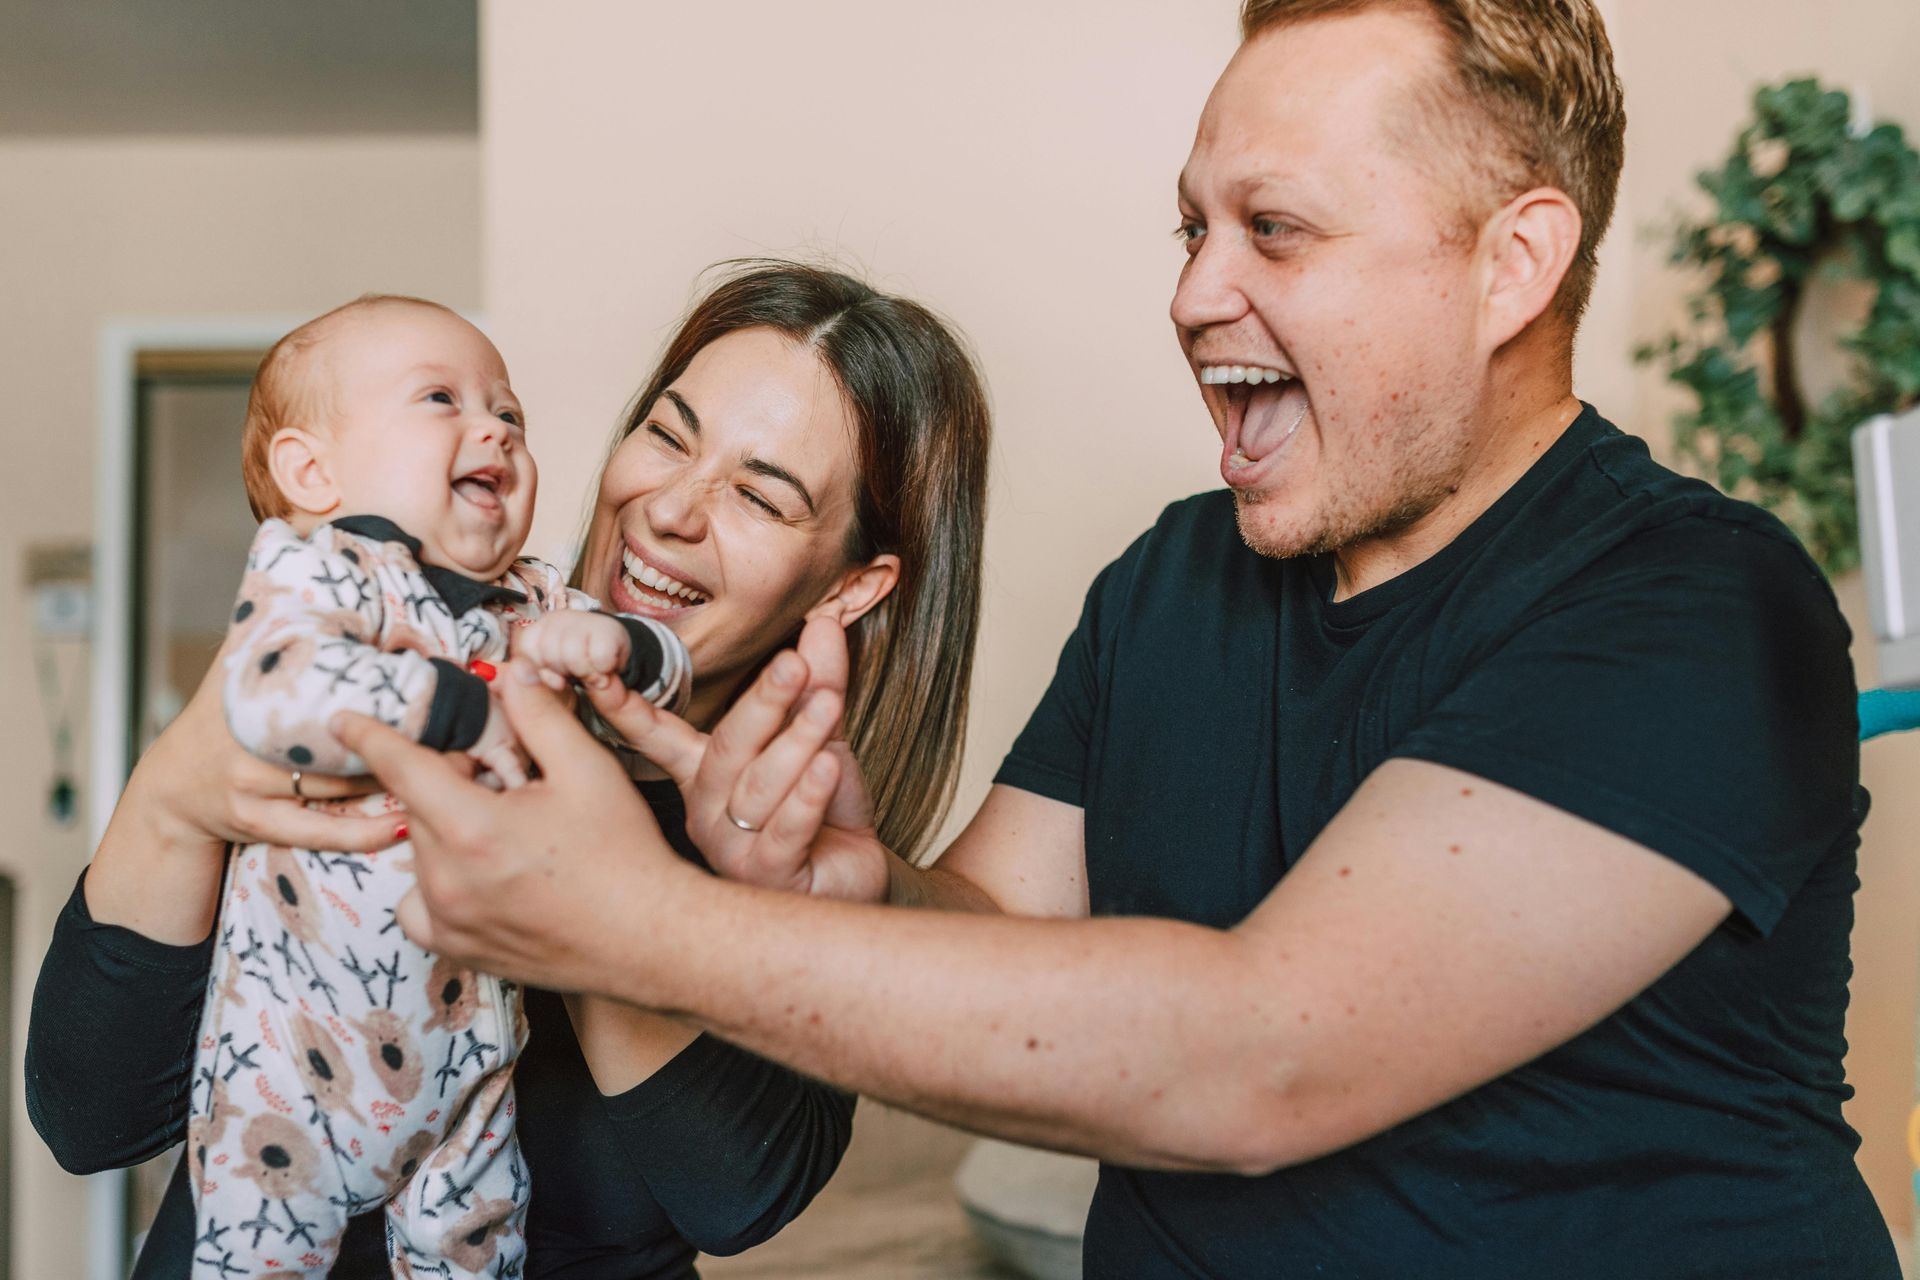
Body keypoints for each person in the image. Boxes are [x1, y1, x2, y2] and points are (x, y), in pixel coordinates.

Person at [334, 3, 1900, 1277]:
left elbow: (1262, 1063)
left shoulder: (1698, 604)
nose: (1195, 291)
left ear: (1515, 263)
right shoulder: (1176, 580)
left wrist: (623, 928)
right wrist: (860, 886)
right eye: (1192, 226)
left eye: (1274, 232)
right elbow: (1003, 932)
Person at [26, 262, 992, 1278]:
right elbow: (89, 1117)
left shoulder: (795, 848)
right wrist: (173, 798)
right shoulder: (352, 666)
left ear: (854, 582)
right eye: (666, 434)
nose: (672, 508)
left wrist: (592, 889)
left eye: (759, 493)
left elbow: (737, 1193)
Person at [192, 293, 694, 1277]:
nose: (497, 427)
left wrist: (625, 642)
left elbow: (673, 676)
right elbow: (271, 687)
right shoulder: (322, 570)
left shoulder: (535, 597)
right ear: (312, 471)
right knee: (256, 1255)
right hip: (292, 1069)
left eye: (511, 412)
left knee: (478, 1250)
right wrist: (456, 706)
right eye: (442, 398)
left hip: (468, 1069)